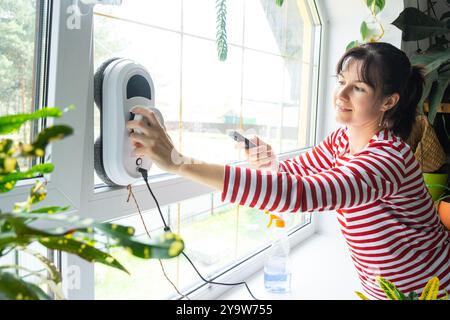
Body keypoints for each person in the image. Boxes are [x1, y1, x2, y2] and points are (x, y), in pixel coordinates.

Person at [126, 42, 450, 300]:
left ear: (388, 102)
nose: (341, 95)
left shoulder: (388, 159)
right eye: (341, 82)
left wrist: (178, 162)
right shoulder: (341, 141)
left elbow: (298, 194)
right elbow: (293, 173)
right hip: (387, 290)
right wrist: (269, 162)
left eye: (359, 88)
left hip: (434, 289)